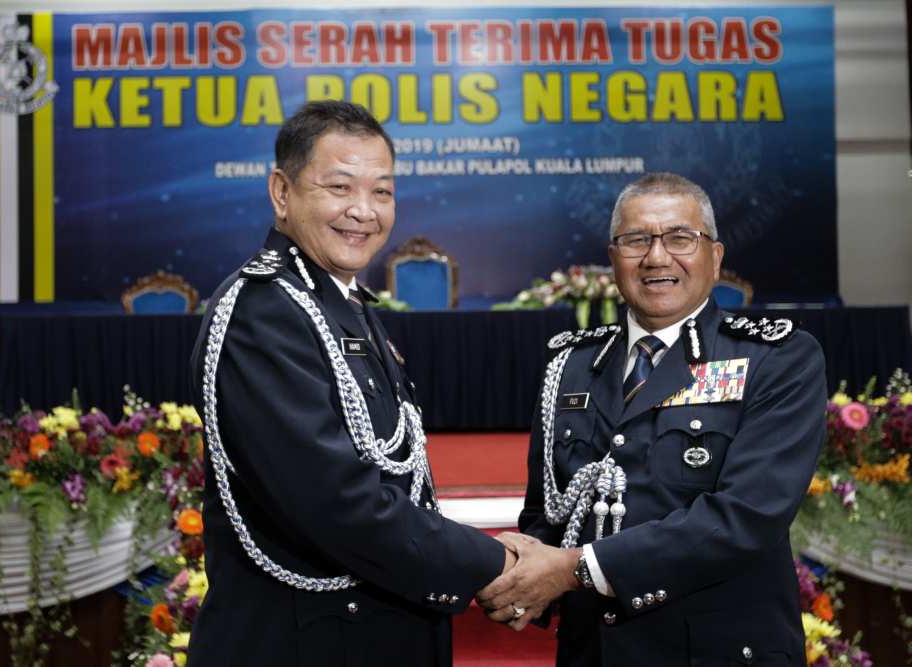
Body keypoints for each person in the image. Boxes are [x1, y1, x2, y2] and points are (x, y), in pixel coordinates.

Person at [186, 100, 514, 666]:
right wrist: (497, 566)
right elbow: (339, 502)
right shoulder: (262, 314)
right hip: (303, 642)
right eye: (340, 188)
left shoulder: (341, 302)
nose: (364, 211)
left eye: (382, 192)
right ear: (282, 193)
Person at [477, 172, 826, 666]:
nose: (657, 257)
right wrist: (516, 572)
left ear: (716, 256)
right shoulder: (571, 364)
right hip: (594, 651)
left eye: (680, 238)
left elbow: (745, 517)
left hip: (715, 651)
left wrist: (574, 569)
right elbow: (547, 511)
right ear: (613, 256)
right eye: (636, 240)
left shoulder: (777, 358)